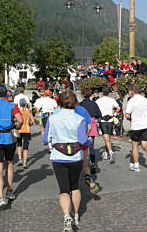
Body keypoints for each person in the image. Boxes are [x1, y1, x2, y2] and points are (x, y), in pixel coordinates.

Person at [43, 91, 92, 231]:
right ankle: (76, 215)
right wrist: (89, 141)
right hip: (75, 156)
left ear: (59, 102)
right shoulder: (79, 119)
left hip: (59, 156)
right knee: (75, 187)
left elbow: (45, 139)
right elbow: (83, 140)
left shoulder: (53, 118)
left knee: (64, 190)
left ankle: (66, 216)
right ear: (75, 102)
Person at [125, 85, 147, 173]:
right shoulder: (145, 99)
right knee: (144, 145)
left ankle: (136, 165)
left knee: (135, 146)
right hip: (145, 126)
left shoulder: (131, 101)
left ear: (132, 91)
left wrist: (130, 118)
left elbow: (127, 115)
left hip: (136, 126)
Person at [79, 88, 102, 173]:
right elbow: (99, 114)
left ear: (82, 95)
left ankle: (82, 162)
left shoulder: (80, 104)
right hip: (92, 123)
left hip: (83, 123)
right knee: (91, 145)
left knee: (82, 144)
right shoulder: (94, 103)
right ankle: (92, 163)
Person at [96, 87, 120, 164]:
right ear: (108, 93)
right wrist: (114, 114)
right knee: (108, 139)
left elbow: (95, 109)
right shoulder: (112, 100)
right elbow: (118, 108)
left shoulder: (98, 100)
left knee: (106, 139)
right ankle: (106, 153)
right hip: (110, 120)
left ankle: (110, 152)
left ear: (102, 93)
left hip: (103, 120)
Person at [16, 98, 35, 168]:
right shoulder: (29, 111)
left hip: (19, 130)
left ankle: (19, 159)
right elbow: (32, 121)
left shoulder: (18, 111)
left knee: (19, 144)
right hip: (27, 130)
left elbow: (15, 119)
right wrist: (29, 123)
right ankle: (25, 161)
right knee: (26, 146)